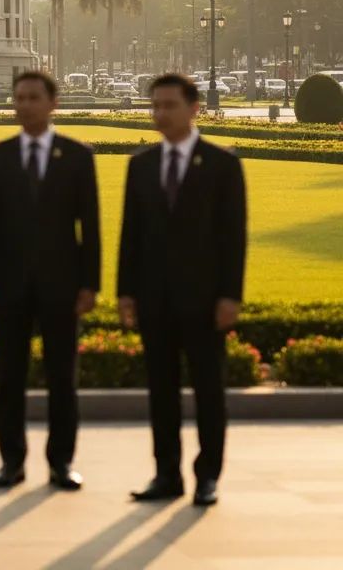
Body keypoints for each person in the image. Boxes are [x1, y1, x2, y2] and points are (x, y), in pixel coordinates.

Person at [118, 72, 247, 507]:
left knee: (209, 391)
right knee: (161, 391)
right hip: (154, 299)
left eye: (169, 105)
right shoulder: (141, 165)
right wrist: (126, 292)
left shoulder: (222, 165)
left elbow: (233, 236)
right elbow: (131, 235)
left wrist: (230, 295)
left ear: (194, 108)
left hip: (206, 300)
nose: (160, 113)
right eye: (155, 105)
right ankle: (166, 474)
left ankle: (207, 476)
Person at [0, 70, 100, 492]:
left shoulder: (77, 156)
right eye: (19, 98)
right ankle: (11, 462)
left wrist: (89, 284)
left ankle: (61, 462)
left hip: (62, 285)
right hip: (8, 285)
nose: (25, 105)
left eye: (33, 97)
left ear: (53, 103)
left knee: (62, 378)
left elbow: (90, 227)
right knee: (9, 378)